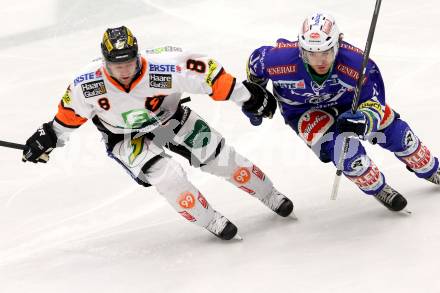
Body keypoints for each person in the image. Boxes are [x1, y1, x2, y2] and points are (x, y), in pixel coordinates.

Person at [22, 26, 294, 240]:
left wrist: (246, 96)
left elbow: (210, 74)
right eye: (117, 66)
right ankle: (209, 218)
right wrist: (48, 138)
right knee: (167, 175)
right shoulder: (87, 83)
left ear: (138, 55)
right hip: (125, 138)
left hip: (169, 122)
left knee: (221, 158)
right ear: (105, 62)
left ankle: (269, 194)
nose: (124, 71)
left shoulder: (164, 65)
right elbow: (69, 115)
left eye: (129, 63)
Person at [244, 12, 440, 212]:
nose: (319, 61)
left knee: (398, 135)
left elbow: (375, 101)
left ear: (338, 44)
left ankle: (429, 168)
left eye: (326, 53)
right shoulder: (279, 60)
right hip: (303, 110)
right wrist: (255, 95)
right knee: (346, 155)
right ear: (301, 49)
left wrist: (365, 120)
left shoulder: (357, 64)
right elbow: (255, 64)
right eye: (311, 54)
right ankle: (377, 187)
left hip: (350, 103)